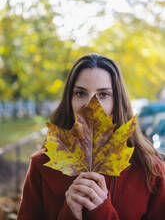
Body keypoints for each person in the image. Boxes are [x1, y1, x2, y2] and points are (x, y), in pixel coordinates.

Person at [17, 53, 165, 220]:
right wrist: (69, 213)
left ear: (117, 102)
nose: (91, 105)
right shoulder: (42, 164)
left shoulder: (149, 170)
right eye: (80, 93)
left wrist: (102, 212)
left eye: (103, 94)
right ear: (69, 100)